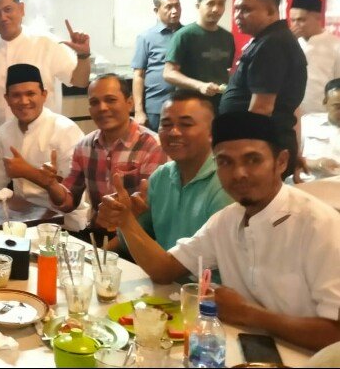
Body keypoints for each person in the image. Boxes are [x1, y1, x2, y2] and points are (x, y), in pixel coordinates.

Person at [97, 111, 340, 352]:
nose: (239, 173)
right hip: (241, 350)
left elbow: (335, 332)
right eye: (225, 162)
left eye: (253, 160)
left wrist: (248, 314)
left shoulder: (320, 225)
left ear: (281, 162)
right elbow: (164, 269)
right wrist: (126, 221)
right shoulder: (227, 220)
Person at [102, 90, 232, 253]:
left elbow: (216, 258)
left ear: (212, 133)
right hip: (161, 269)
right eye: (166, 124)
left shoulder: (226, 183)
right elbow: (138, 238)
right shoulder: (161, 176)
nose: (174, 132)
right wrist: (127, 217)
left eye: (186, 124)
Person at [43, 74, 166, 233]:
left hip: (138, 235)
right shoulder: (84, 146)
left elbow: (151, 212)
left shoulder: (152, 146)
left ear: (129, 103)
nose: (102, 108)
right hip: (98, 234)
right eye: (95, 102)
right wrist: (52, 185)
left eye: (110, 100)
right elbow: (69, 202)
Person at [0, 0, 92, 131]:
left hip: (45, 137)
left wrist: (83, 55)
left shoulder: (47, 43)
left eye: (8, 9)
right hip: (0, 138)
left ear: (21, 9)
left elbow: (80, 82)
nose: (3, 17)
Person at [219, 0, 307, 180]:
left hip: (260, 151)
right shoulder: (270, 40)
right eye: (236, 9)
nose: (238, 15)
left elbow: (261, 109)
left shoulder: (271, 44)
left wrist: (243, 154)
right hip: (268, 146)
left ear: (270, 11)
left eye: (246, 10)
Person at [0, 64, 89, 230]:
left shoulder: (66, 130)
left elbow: (71, 193)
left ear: (44, 95)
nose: (24, 101)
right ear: (7, 99)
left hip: (65, 223)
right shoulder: (5, 131)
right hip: (23, 218)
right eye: (16, 95)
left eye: (30, 94)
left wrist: (28, 172)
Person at [164, 0, 234, 111]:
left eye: (221, 4)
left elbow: (227, 70)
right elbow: (168, 73)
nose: (216, 9)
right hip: (190, 106)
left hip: (220, 106)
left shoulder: (227, 37)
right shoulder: (184, 35)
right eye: (210, 3)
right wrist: (200, 85)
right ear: (198, 6)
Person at [132, 0, 183, 131]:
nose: (174, 11)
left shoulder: (188, 34)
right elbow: (138, 75)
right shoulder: (146, 37)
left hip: (184, 105)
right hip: (156, 108)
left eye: (177, 5)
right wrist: (139, 111)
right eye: (169, 7)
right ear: (156, 10)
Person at [289, 0, 340, 114]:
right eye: (292, 20)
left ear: (318, 18)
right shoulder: (289, 43)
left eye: (301, 20)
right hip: (292, 114)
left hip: (323, 115)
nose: (295, 25)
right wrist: (289, 42)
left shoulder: (336, 45)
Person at [301, 78, 340, 176]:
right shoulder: (308, 123)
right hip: (306, 181)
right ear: (325, 102)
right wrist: (317, 164)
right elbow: (289, 158)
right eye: (338, 107)